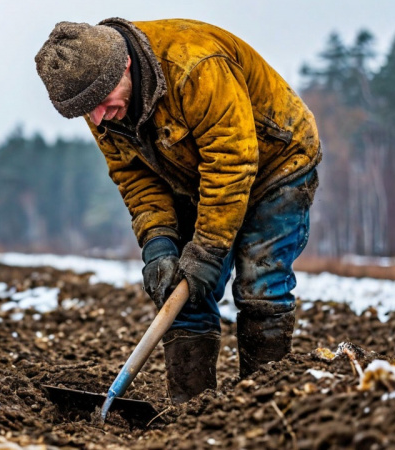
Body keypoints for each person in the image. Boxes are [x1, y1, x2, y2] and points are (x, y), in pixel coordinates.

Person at [34, 18, 321, 403]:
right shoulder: (101, 104)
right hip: (195, 175)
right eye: (88, 112)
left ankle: (265, 406)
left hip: (277, 161)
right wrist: (158, 245)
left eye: (101, 104)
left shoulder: (195, 66)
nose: (98, 119)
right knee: (180, 290)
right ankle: (190, 412)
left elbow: (232, 162)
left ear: (124, 67)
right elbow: (135, 177)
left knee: (261, 283)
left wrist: (207, 251)